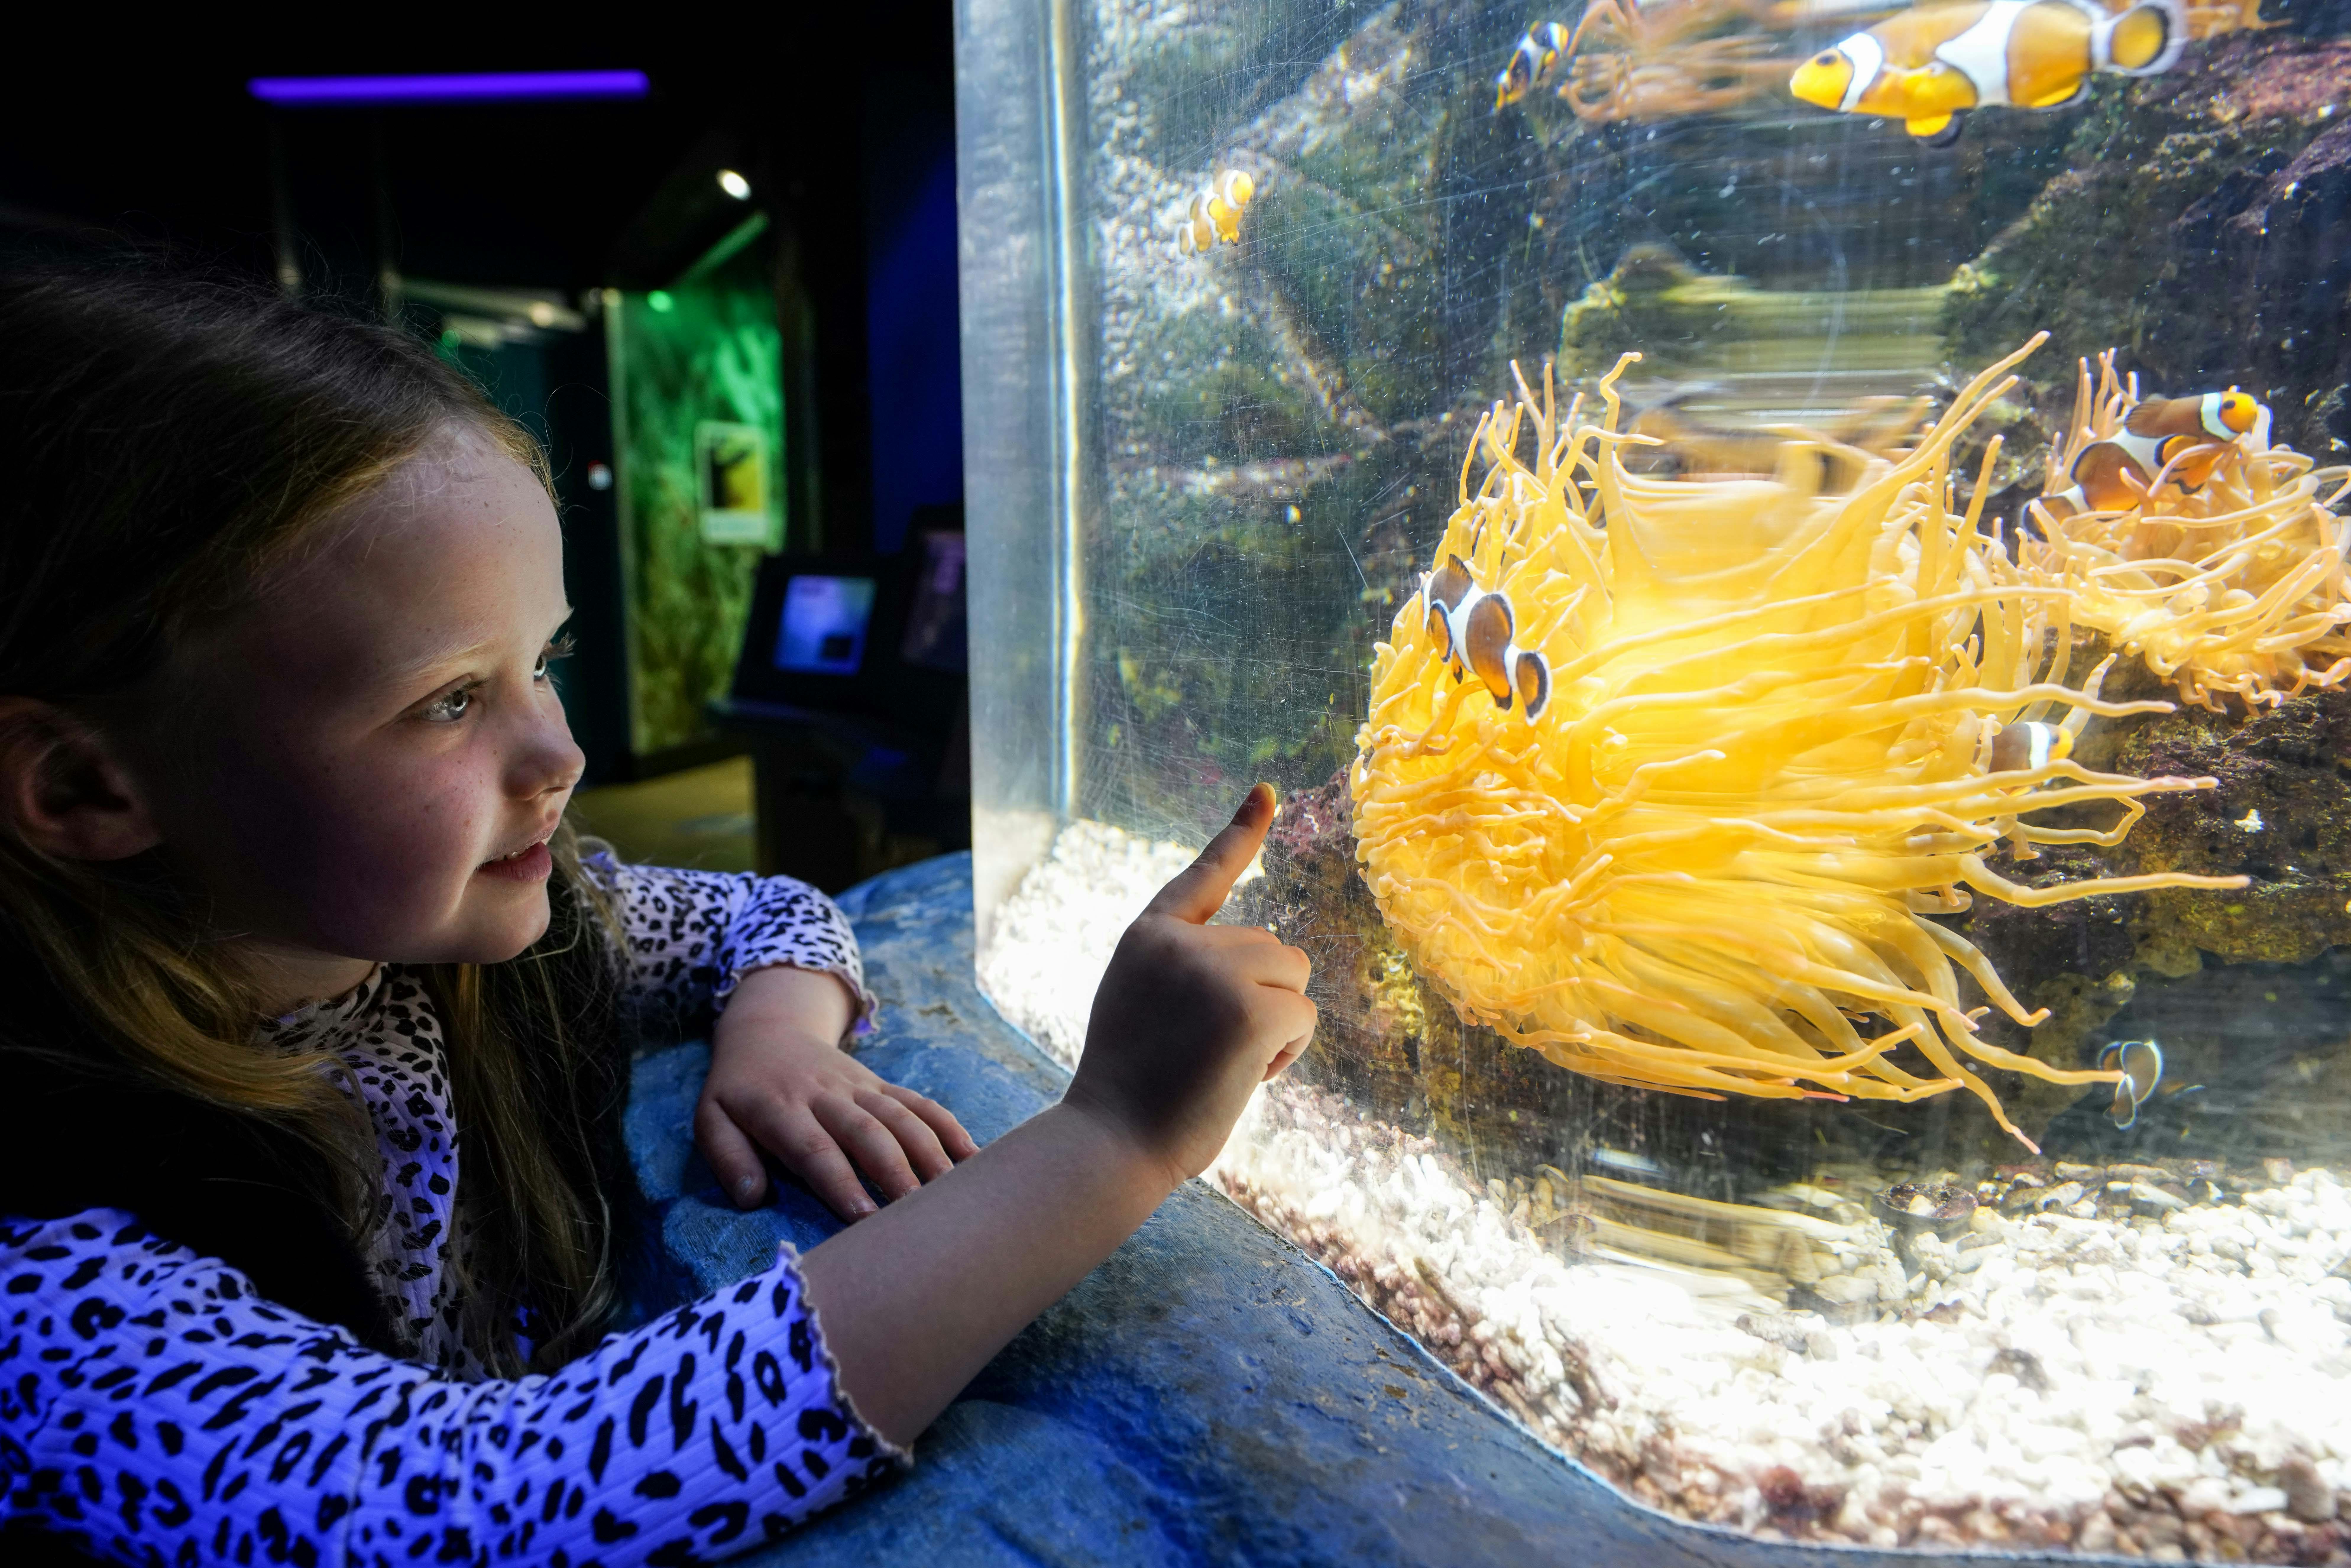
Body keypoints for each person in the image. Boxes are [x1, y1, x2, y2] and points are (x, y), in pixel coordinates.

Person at [0, 264, 1316, 1566]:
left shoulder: (476, 936)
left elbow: (764, 911)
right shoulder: (52, 1278)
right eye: (449, 700)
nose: (559, 755)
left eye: (543, 662)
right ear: (85, 785)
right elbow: (488, 1504)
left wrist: (785, 1037)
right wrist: (1113, 1138)